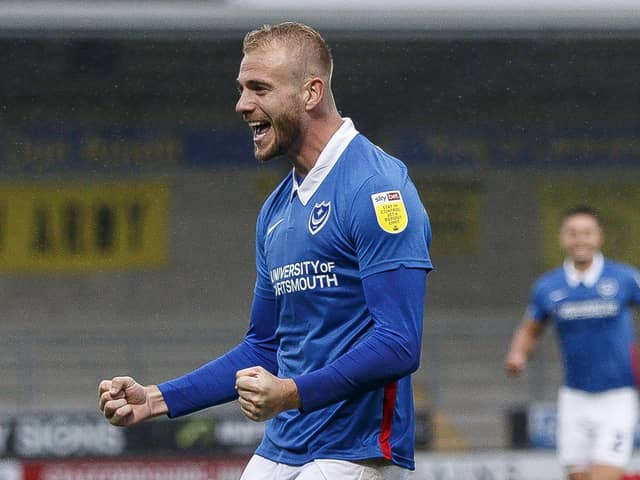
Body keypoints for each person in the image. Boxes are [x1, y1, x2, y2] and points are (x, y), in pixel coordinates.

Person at [99, 22, 432, 480]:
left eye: (259, 88)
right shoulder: (276, 210)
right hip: (283, 445)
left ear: (311, 92)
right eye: (241, 89)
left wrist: (291, 392)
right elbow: (265, 346)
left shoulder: (377, 189)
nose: (242, 105)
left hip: (354, 451)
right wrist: (155, 399)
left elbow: (399, 343)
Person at [505, 205, 640, 480]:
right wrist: (518, 354)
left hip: (617, 397)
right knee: (578, 475)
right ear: (563, 238)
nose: (581, 240)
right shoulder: (548, 287)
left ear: (599, 237)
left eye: (587, 233)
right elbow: (531, 329)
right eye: (573, 233)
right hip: (574, 397)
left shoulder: (624, 278)